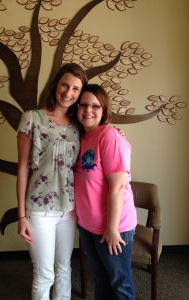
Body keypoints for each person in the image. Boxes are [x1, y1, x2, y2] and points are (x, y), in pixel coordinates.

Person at [16, 63, 88, 300]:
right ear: (56, 84)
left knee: (65, 268)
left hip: (69, 209)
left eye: (76, 89)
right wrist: (21, 215)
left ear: (80, 93)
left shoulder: (80, 124)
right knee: (45, 274)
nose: (69, 93)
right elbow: (23, 168)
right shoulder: (32, 118)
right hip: (39, 210)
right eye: (65, 85)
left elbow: (101, 136)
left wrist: (118, 133)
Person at [74, 84, 137, 300]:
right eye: (83, 105)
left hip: (112, 227)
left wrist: (111, 229)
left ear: (104, 110)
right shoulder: (80, 138)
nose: (88, 110)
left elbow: (118, 186)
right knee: (101, 280)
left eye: (95, 106)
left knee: (120, 284)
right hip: (88, 226)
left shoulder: (109, 136)